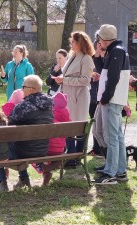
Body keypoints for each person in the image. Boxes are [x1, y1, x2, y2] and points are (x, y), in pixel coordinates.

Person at [0, 75, 54, 191]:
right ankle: (23, 180)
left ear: (31, 89)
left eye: (23, 86)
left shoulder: (24, 106)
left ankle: (1, 182)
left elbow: (7, 126)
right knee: (20, 143)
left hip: (23, 152)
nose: (21, 89)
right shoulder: (49, 105)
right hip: (41, 149)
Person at [93, 24, 130, 185]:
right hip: (113, 100)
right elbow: (105, 73)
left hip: (112, 100)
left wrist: (106, 97)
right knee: (117, 137)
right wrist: (98, 55)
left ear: (104, 38)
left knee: (112, 137)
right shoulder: (115, 50)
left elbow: (113, 78)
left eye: (99, 38)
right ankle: (120, 171)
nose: (98, 40)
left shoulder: (116, 51)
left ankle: (111, 173)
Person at [54, 31, 95, 168]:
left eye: (73, 41)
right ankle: (70, 155)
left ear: (80, 43)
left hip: (79, 97)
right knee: (69, 125)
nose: (71, 44)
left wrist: (65, 79)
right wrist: (61, 80)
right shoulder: (72, 56)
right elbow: (66, 75)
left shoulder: (86, 58)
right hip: (68, 95)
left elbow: (85, 80)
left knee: (78, 126)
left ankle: (76, 156)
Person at [39, 92, 71, 185]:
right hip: (60, 149)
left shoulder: (51, 115)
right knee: (55, 150)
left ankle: (46, 171)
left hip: (48, 148)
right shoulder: (66, 116)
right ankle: (54, 164)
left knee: (35, 153)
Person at [88, 35, 106, 158]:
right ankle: (95, 148)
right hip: (92, 93)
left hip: (101, 95)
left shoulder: (105, 59)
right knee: (94, 122)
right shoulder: (92, 59)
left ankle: (100, 148)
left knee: (101, 124)